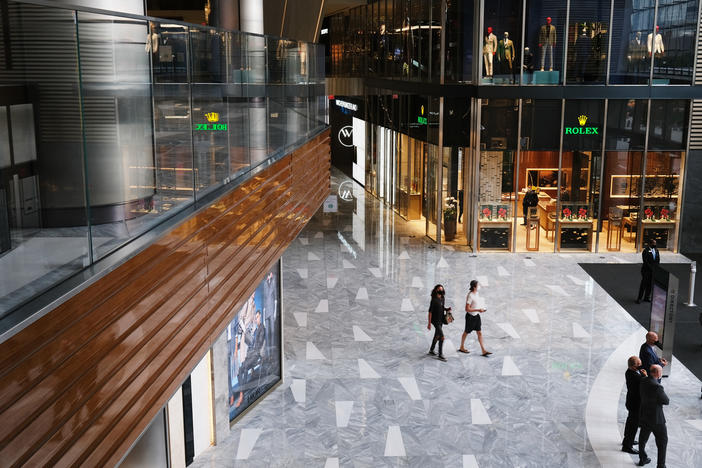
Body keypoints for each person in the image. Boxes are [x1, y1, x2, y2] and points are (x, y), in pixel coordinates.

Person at [637, 364, 669, 468]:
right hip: (656, 419)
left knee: (643, 439)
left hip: (645, 415)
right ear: (657, 373)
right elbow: (666, 401)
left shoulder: (643, 380)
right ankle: (661, 465)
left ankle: (642, 458)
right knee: (662, 441)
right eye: (660, 371)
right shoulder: (657, 387)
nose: (661, 373)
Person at [458, 280, 492, 357]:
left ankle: (483, 350)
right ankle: (461, 347)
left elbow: (477, 303)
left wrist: (482, 308)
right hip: (470, 317)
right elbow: (467, 309)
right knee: (466, 332)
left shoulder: (477, 293)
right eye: (478, 285)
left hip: (476, 316)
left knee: (479, 332)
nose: (479, 286)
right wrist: (478, 310)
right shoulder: (470, 296)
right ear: (474, 287)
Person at [622, 356, 646, 454]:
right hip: (635, 404)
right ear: (634, 366)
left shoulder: (629, 372)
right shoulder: (636, 377)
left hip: (631, 402)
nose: (641, 366)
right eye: (639, 365)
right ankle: (627, 446)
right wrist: (644, 376)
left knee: (630, 423)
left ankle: (627, 440)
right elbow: (645, 384)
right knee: (633, 426)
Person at [428, 284, 451, 362]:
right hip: (435, 321)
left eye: (442, 289)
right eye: (439, 289)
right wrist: (429, 323)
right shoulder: (434, 300)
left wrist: (446, 309)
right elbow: (430, 312)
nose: (441, 290)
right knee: (442, 337)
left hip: (441, 320)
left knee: (437, 335)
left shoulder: (442, 298)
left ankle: (431, 350)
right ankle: (440, 354)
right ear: (436, 290)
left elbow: (442, 307)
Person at [636, 239, 660, 303]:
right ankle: (639, 298)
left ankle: (646, 297)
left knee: (650, 284)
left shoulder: (656, 250)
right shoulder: (645, 251)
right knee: (643, 284)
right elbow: (645, 261)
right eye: (654, 243)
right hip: (646, 270)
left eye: (655, 243)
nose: (655, 245)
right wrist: (651, 268)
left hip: (653, 271)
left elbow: (658, 260)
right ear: (650, 244)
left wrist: (656, 268)